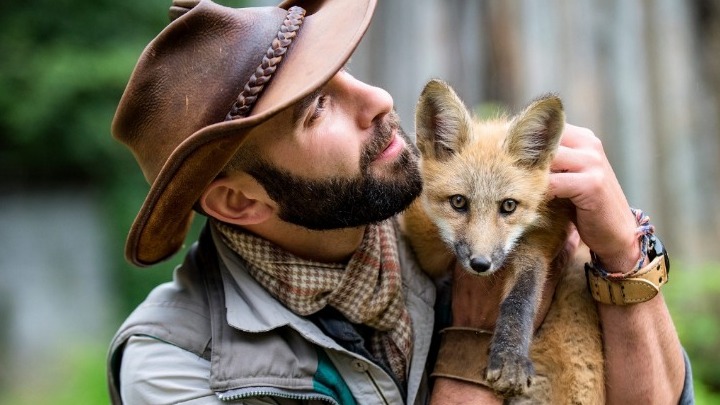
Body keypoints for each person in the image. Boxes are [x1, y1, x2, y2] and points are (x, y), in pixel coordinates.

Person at [106, 0, 694, 404]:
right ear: (237, 200)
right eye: (316, 108)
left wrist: (623, 256)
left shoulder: (436, 221)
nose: (379, 98)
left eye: (346, 74)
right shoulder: (175, 367)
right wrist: (469, 346)